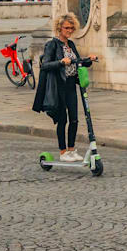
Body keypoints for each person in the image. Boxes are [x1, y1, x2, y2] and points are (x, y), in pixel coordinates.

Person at [32, 12, 85, 162]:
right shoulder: (52, 44)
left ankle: (71, 150)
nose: (69, 31)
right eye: (67, 28)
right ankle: (63, 152)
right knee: (63, 120)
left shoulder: (71, 44)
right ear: (59, 28)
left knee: (74, 119)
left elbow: (77, 61)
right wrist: (61, 62)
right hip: (58, 86)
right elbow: (45, 65)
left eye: (71, 28)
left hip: (70, 85)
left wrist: (89, 60)